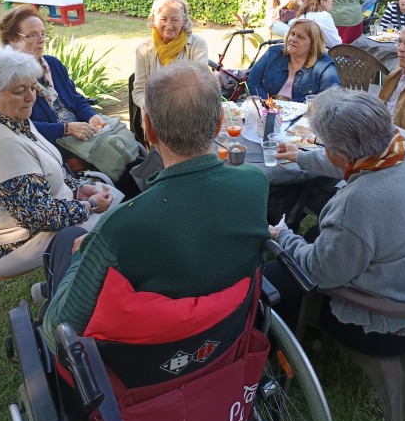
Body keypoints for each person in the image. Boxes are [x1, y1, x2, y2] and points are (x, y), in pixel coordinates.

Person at [42, 62, 270, 353]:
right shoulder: (255, 183)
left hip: (147, 362)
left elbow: (57, 330)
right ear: (219, 124)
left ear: (149, 129)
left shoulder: (122, 224)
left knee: (70, 241)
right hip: (224, 339)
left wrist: (78, 258)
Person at [267, 89, 405, 356]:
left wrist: (284, 236)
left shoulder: (357, 204)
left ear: (341, 155)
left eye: (324, 145)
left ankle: (280, 341)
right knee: (314, 236)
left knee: (271, 279)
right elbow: (353, 160)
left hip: (393, 321)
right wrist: (302, 157)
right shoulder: (402, 143)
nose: (324, 149)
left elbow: (319, 273)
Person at [0, 47, 111, 279]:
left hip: (45, 219)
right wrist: (90, 205)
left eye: (33, 88)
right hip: (14, 244)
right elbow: (37, 215)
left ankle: (55, 288)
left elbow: (49, 168)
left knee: (117, 205)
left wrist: (77, 189)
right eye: (19, 91)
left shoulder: (14, 119)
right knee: (111, 229)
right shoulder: (0, 142)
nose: (31, 97)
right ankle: (67, 291)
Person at [0, 5, 106, 144]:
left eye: (42, 33)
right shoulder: (9, 77)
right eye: (33, 35)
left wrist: (91, 115)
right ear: (12, 39)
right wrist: (65, 129)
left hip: (81, 132)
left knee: (121, 141)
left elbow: (75, 98)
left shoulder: (52, 64)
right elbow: (17, 126)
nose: (41, 40)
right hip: (50, 144)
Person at [132, 0, 208, 110]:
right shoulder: (143, 49)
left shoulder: (197, 45)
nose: (168, 26)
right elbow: (139, 91)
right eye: (163, 19)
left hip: (188, 110)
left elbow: (200, 86)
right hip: (154, 112)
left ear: (183, 20)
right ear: (154, 19)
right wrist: (147, 107)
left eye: (175, 20)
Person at [247, 19, 340, 101]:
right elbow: (253, 80)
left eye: (301, 37)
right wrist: (267, 104)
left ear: (313, 45)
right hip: (266, 111)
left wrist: (289, 106)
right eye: (292, 34)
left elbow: (329, 96)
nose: (293, 39)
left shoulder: (325, 66)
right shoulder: (273, 53)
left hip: (305, 114)